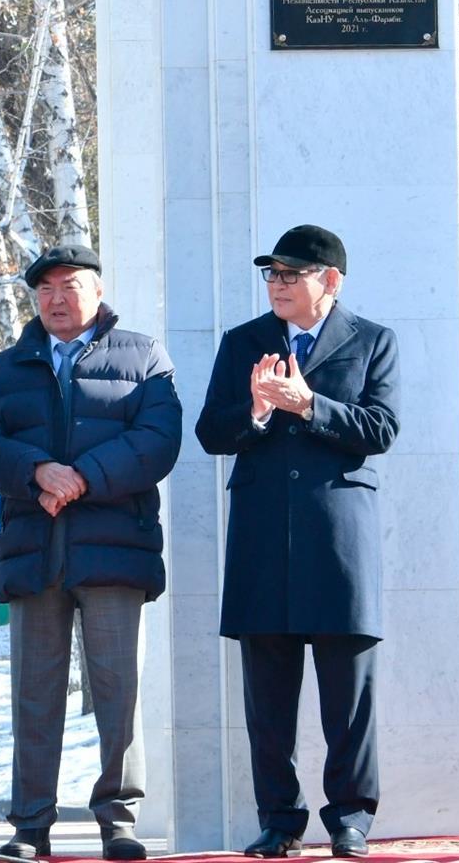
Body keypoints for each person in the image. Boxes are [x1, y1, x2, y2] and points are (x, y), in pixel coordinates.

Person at [0, 245, 182, 861]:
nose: (57, 299)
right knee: (35, 693)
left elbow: (157, 440)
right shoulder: (8, 367)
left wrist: (80, 476)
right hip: (35, 551)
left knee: (119, 689)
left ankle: (118, 820)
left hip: (114, 551)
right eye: (46, 289)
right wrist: (38, 471)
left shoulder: (143, 357)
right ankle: (31, 824)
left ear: (97, 290)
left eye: (70, 286)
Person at [195, 225, 399, 859]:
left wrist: (310, 405)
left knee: (350, 697)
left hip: (339, 541)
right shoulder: (243, 343)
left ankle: (351, 819)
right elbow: (210, 432)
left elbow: (382, 427)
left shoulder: (373, 341)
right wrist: (256, 410)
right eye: (271, 276)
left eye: (291, 275)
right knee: (268, 699)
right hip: (261, 542)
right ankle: (279, 819)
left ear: (329, 281)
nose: (277, 286)